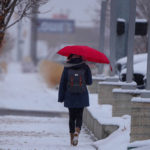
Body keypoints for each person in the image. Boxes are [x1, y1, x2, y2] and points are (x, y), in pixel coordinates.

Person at [58, 54, 92, 146]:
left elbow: (62, 83)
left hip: (70, 95)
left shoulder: (67, 67)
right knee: (79, 115)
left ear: (70, 57)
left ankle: (72, 138)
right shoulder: (85, 66)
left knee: (72, 117)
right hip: (82, 95)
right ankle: (77, 130)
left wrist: (61, 97)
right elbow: (89, 82)